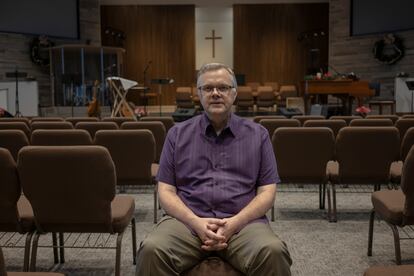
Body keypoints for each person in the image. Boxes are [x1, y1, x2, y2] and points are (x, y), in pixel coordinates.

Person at [136, 63, 292, 276]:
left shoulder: (259, 135)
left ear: (234, 93)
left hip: (243, 224)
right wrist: (195, 222)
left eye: (223, 88)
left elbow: (267, 192)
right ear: (198, 94)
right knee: (152, 250)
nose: (216, 93)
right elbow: (165, 191)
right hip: (187, 223)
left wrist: (234, 223)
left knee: (273, 252)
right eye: (208, 88)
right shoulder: (177, 135)